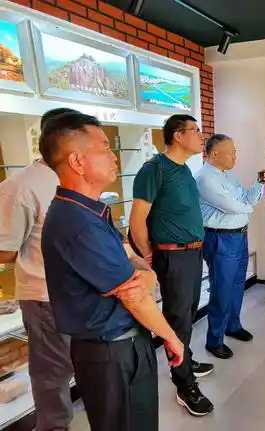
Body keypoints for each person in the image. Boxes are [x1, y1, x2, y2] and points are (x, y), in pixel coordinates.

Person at [39, 112, 185, 431]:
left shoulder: (89, 210)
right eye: (104, 147)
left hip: (124, 344)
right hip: (110, 351)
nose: (113, 156)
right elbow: (135, 297)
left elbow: (131, 255)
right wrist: (171, 336)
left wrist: (148, 275)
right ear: (77, 161)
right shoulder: (77, 223)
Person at [129, 114, 214, 416]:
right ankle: (184, 384)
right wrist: (147, 256)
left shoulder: (184, 169)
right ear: (178, 135)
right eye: (196, 131)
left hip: (192, 253)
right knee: (177, 318)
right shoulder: (154, 169)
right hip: (172, 255)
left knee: (187, 313)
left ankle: (185, 358)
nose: (201, 136)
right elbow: (137, 219)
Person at [0, 108, 78, 431]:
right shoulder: (21, 186)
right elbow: (5, 250)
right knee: (52, 376)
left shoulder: (76, 179)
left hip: (81, 294)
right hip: (45, 297)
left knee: (74, 367)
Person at [195, 134, 265, 359]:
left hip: (239, 235)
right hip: (220, 238)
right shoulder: (205, 178)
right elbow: (231, 206)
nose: (235, 156)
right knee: (221, 288)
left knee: (237, 283)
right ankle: (214, 340)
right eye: (232, 152)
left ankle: (233, 325)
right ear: (215, 153)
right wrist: (246, 207)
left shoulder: (230, 177)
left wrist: (259, 184)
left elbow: (247, 199)